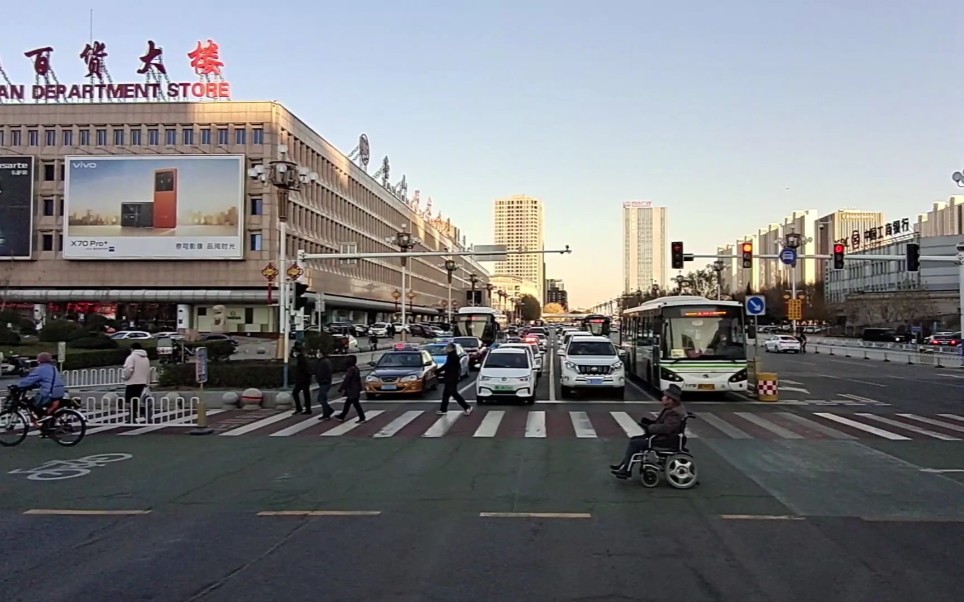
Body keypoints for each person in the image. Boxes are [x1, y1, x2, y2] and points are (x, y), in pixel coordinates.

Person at [610, 384, 686, 479]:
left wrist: (650, 427)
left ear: (670, 400)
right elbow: (663, 424)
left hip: (665, 440)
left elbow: (667, 428)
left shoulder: (673, 413)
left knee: (635, 443)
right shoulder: (670, 410)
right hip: (664, 437)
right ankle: (624, 465)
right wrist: (648, 423)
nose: (662, 398)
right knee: (635, 439)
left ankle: (626, 469)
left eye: (664, 397)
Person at [16, 352, 66, 421]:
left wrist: (17, 386)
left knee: (31, 403)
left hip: (49, 393)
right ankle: (47, 420)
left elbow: (29, 380)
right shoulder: (54, 368)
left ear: (39, 360)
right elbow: (48, 380)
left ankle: (42, 417)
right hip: (60, 392)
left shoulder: (40, 369)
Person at [437, 343, 471, 416]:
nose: (446, 349)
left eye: (447, 348)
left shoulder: (453, 356)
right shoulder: (451, 355)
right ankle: (443, 409)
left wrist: (438, 371)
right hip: (450, 377)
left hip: (452, 378)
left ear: (451, 349)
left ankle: (467, 407)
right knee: (446, 394)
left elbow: (448, 366)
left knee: (454, 393)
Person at [123, 342, 152, 419]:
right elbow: (148, 371)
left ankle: (134, 415)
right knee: (136, 399)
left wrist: (125, 377)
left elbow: (129, 369)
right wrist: (147, 382)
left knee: (130, 401)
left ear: (132, 349)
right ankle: (136, 414)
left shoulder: (131, 357)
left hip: (132, 382)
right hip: (142, 382)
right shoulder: (146, 358)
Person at [335, 355, 366, 423]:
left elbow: (347, 380)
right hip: (355, 389)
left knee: (355, 404)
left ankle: (362, 417)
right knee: (348, 403)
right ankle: (342, 415)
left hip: (352, 389)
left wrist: (341, 388)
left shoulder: (351, 370)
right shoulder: (355, 368)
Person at [314, 349, 335, 420]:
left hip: (325, 382)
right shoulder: (321, 361)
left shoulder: (325, 362)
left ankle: (327, 413)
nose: (317, 354)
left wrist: (323, 379)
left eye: (318, 352)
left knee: (322, 399)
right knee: (321, 399)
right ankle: (328, 411)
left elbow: (327, 372)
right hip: (322, 382)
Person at [291, 346, 313, 415]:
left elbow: (304, 370)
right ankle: (307, 408)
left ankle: (300, 408)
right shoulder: (302, 358)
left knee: (296, 393)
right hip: (304, 379)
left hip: (302, 379)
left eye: (295, 351)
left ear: (297, 352)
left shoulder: (301, 359)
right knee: (306, 394)